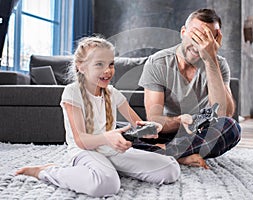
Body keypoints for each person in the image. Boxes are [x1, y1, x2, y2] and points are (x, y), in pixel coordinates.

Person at [15, 36, 180, 197]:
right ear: (81, 66)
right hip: (84, 151)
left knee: (170, 169)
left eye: (111, 64)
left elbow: (137, 123)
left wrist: (149, 129)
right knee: (106, 184)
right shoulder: (72, 93)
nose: (107, 70)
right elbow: (81, 140)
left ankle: (108, 168)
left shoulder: (112, 93)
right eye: (99, 64)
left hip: (110, 150)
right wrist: (108, 138)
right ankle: (47, 171)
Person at [137, 8, 241, 168]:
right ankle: (179, 155)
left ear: (215, 42)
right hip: (168, 133)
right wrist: (181, 120)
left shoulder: (218, 64)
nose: (199, 45)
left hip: (202, 134)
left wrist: (210, 60)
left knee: (231, 128)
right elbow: (155, 119)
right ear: (183, 32)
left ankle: (162, 153)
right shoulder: (158, 62)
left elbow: (223, 114)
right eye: (196, 35)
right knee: (121, 133)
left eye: (207, 39)